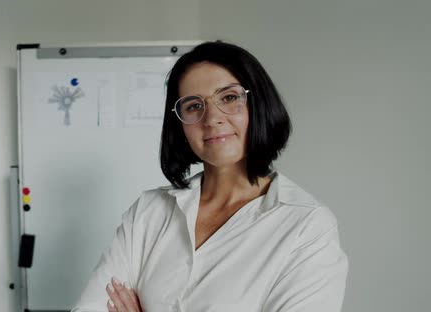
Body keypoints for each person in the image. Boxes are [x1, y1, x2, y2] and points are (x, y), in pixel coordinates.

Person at [72, 41, 348, 312]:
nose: (212, 118)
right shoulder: (149, 211)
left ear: (259, 103)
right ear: (180, 125)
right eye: (193, 106)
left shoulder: (306, 226)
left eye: (229, 97)